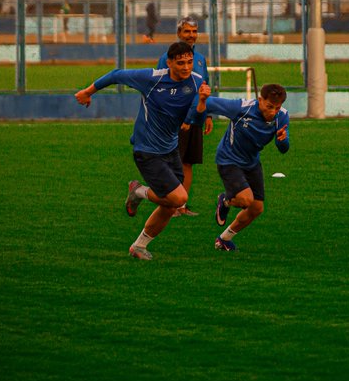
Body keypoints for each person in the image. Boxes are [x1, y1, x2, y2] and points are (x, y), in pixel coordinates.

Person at [73, 40, 205, 261]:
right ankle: (139, 192)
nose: (185, 67)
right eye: (180, 63)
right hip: (147, 151)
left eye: (189, 62)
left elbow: (196, 120)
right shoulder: (152, 79)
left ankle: (139, 246)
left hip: (171, 149)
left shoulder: (196, 81)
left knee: (172, 204)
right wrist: (88, 91)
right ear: (169, 62)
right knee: (179, 197)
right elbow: (116, 74)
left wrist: (202, 104)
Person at [192, 81, 289, 253]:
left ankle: (224, 239)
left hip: (251, 162)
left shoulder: (282, 116)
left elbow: (283, 149)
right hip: (229, 159)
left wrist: (283, 141)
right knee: (245, 199)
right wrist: (200, 112)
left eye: (277, 107)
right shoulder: (241, 108)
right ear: (260, 100)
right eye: (269, 106)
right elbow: (207, 103)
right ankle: (226, 200)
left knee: (256, 208)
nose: (273, 112)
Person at [157, 16, 212, 216]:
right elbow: (159, 87)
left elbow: (204, 87)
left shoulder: (199, 59)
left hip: (196, 117)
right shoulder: (167, 58)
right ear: (179, 33)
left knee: (188, 162)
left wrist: (207, 115)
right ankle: (169, 205)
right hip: (176, 119)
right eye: (187, 31)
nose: (191, 35)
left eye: (194, 32)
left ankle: (181, 205)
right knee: (173, 162)